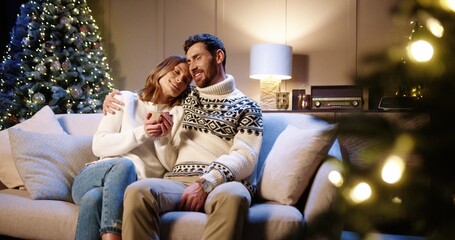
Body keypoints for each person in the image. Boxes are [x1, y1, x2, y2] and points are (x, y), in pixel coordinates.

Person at [104, 33, 264, 240]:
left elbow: (246, 154)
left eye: (198, 58)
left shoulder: (248, 106)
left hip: (222, 183)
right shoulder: (184, 96)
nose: (192, 67)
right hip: (177, 181)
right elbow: (150, 97)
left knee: (235, 196)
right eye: (189, 61)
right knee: (139, 191)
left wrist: (206, 183)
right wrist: (113, 99)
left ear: (219, 56)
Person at [71, 55, 192, 240]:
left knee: (94, 199)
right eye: (176, 72)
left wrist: (162, 138)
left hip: (130, 188)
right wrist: (142, 133)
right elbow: (99, 145)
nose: (179, 80)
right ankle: (113, 236)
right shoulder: (124, 99)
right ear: (161, 70)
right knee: (124, 165)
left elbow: (170, 166)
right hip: (94, 176)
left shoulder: (178, 114)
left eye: (185, 80)